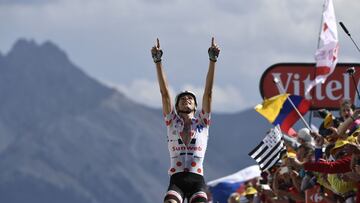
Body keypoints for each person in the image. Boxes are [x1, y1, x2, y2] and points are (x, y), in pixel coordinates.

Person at [151, 37, 220, 203]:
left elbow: (208, 93)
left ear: (196, 106)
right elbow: (165, 93)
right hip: (177, 180)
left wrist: (212, 61)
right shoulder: (172, 121)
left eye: (190, 99)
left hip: (197, 180)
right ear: (177, 106)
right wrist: (158, 62)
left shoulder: (203, 122)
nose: (186, 99)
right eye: (182, 99)